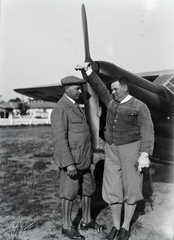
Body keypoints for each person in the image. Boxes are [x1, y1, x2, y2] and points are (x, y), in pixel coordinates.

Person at [75, 64, 154, 240]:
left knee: (132, 188)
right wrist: (87, 71)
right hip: (111, 150)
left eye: (116, 89)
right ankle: (116, 226)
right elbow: (99, 86)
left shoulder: (140, 107)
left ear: (125, 88)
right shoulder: (111, 101)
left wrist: (144, 155)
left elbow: (148, 131)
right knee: (112, 189)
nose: (113, 93)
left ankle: (125, 227)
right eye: (112, 90)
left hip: (131, 149)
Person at [51, 75, 104, 240]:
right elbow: (60, 140)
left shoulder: (75, 106)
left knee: (88, 191)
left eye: (81, 88)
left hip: (85, 161)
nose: (80, 92)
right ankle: (67, 226)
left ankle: (86, 221)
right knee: (69, 194)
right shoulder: (61, 108)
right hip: (72, 162)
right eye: (77, 89)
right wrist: (68, 164)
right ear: (66, 88)